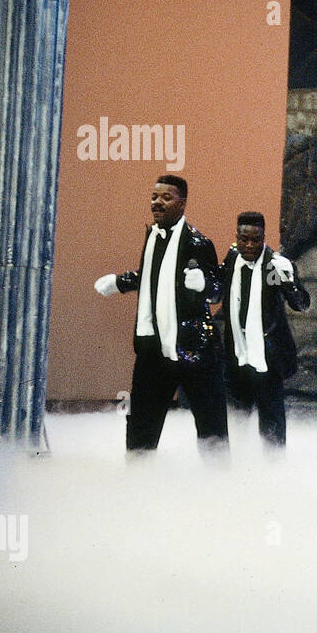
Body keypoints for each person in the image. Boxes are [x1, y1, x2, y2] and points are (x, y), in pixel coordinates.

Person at [94, 175, 228, 454]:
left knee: (211, 425)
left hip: (194, 348)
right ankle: (138, 480)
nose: (157, 202)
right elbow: (153, 279)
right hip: (153, 347)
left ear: (182, 203)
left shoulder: (199, 243)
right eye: (155, 196)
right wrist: (120, 282)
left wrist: (204, 284)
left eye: (166, 197)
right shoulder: (152, 235)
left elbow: (218, 290)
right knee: (142, 421)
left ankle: (219, 486)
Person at [219, 211, 310, 447]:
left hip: (267, 356)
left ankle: (273, 469)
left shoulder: (274, 265)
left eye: (255, 240)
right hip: (237, 354)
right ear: (236, 237)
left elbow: (302, 305)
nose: (249, 245)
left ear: (263, 238)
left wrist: (290, 280)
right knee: (235, 417)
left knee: (271, 421)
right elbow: (217, 292)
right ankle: (235, 463)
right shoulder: (232, 257)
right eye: (243, 239)